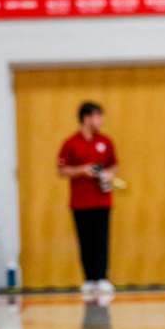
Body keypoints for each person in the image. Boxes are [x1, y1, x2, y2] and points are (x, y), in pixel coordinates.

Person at [57, 102, 117, 295]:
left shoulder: (106, 142)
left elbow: (114, 166)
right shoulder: (70, 143)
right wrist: (82, 170)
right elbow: (62, 170)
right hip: (80, 202)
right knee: (85, 240)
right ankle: (89, 278)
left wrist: (108, 174)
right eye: (97, 116)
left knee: (101, 239)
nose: (101, 121)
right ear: (86, 118)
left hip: (102, 200)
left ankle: (102, 277)